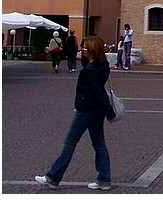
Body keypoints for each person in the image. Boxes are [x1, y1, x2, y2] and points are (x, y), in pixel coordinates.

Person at [35, 35, 116, 190]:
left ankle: (53, 176)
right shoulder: (103, 65)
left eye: (85, 48)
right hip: (97, 109)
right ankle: (104, 178)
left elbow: (99, 91)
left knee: (70, 143)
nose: (82, 50)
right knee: (99, 144)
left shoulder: (90, 70)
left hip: (87, 109)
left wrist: (110, 112)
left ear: (92, 50)